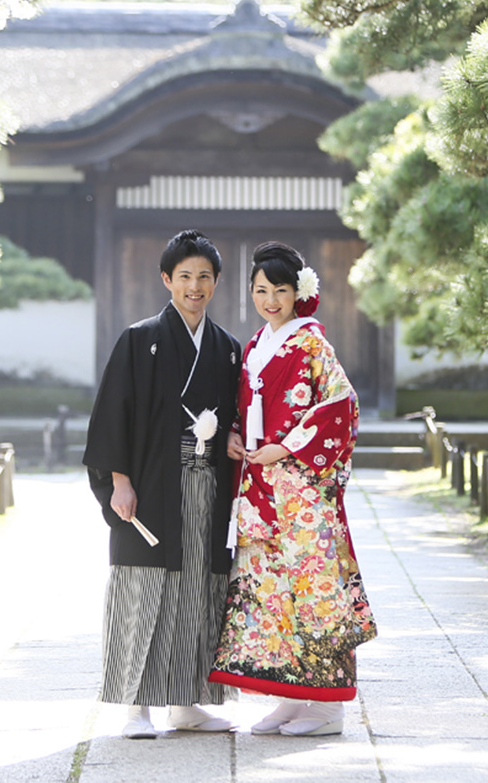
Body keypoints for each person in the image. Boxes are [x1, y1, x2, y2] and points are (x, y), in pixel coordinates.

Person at [209, 241, 376, 737]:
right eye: (261, 290)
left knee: (314, 587)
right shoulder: (257, 344)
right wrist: (235, 435)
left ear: (298, 292)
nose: (270, 300)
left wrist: (286, 448)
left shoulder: (312, 344)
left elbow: (341, 406)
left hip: (302, 490)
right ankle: (287, 695)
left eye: (280, 290)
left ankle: (327, 707)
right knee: (270, 590)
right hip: (260, 488)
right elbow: (243, 409)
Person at [83, 229, 241, 739]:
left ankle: (188, 702)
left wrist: (235, 438)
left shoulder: (227, 348)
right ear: (166, 280)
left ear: (217, 282)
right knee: (143, 588)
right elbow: (113, 415)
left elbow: (237, 415)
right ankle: (135, 706)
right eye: (185, 277)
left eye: (204, 277)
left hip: (206, 489)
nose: (195, 286)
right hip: (151, 485)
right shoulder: (139, 339)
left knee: (198, 591)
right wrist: (119, 482)